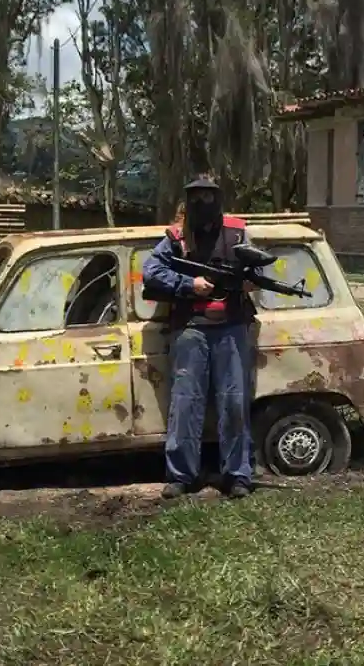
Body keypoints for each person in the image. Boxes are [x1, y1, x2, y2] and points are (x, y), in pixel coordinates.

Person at [142, 175, 259, 500]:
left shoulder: (237, 232)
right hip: (190, 328)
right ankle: (181, 476)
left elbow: (259, 268)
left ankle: (238, 475)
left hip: (231, 326)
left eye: (209, 197)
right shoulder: (177, 238)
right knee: (185, 403)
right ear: (189, 201)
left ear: (218, 199)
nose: (204, 204)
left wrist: (251, 281)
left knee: (234, 403)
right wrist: (189, 285)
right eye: (197, 198)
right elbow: (151, 272)